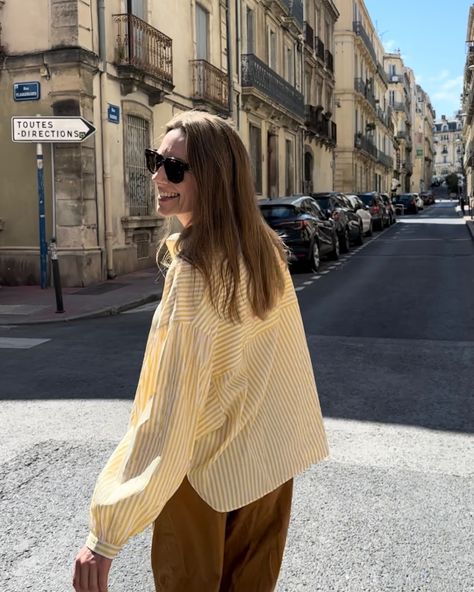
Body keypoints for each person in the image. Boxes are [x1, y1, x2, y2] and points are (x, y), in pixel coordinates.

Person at [73, 110, 328, 592]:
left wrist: (105, 533)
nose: (156, 176)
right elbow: (284, 367)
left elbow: (168, 411)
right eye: (155, 160)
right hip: (269, 463)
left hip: (204, 479)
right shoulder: (265, 251)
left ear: (212, 177)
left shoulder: (193, 272)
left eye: (173, 168)